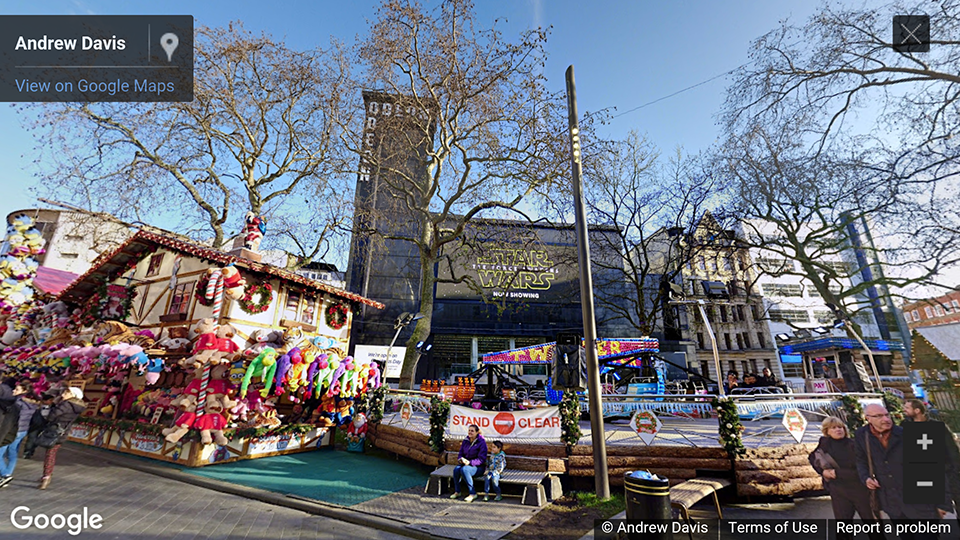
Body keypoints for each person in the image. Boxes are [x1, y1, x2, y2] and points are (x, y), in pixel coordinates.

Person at [854, 403, 953, 523]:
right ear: (868, 418)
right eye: (879, 416)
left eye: (886, 415)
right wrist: (866, 478)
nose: (885, 419)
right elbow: (861, 460)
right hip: (892, 503)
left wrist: (943, 503)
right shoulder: (862, 435)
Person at [809, 417, 880, 540]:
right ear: (827, 431)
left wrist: (837, 473)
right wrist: (823, 472)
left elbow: (862, 469)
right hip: (838, 491)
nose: (838, 430)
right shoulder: (824, 445)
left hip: (859, 489)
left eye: (840, 427)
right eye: (834, 428)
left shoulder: (853, 445)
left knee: (871, 524)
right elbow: (812, 458)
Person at [36, 386, 85, 490]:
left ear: (73, 395)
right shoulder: (77, 407)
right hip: (63, 432)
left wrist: (53, 407)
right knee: (51, 453)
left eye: (66, 393)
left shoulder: (66, 405)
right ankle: (46, 475)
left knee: (50, 454)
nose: (63, 395)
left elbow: (51, 416)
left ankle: (46, 477)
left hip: (54, 431)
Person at [0, 380, 39, 488]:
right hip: (23, 430)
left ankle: (5, 475)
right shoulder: (33, 403)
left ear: (24, 391)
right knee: (12, 453)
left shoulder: (17, 402)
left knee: (1, 452)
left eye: (17, 389)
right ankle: (7, 474)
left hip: (12, 429)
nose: (13, 391)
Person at [450, 424, 487, 502]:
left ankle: (473, 493)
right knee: (456, 469)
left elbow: (482, 459)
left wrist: (470, 462)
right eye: (469, 430)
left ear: (477, 432)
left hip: (479, 467)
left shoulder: (481, 442)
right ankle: (457, 491)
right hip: (465, 464)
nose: (470, 432)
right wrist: (461, 459)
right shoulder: (466, 440)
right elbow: (460, 453)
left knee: (465, 470)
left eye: (472, 431)